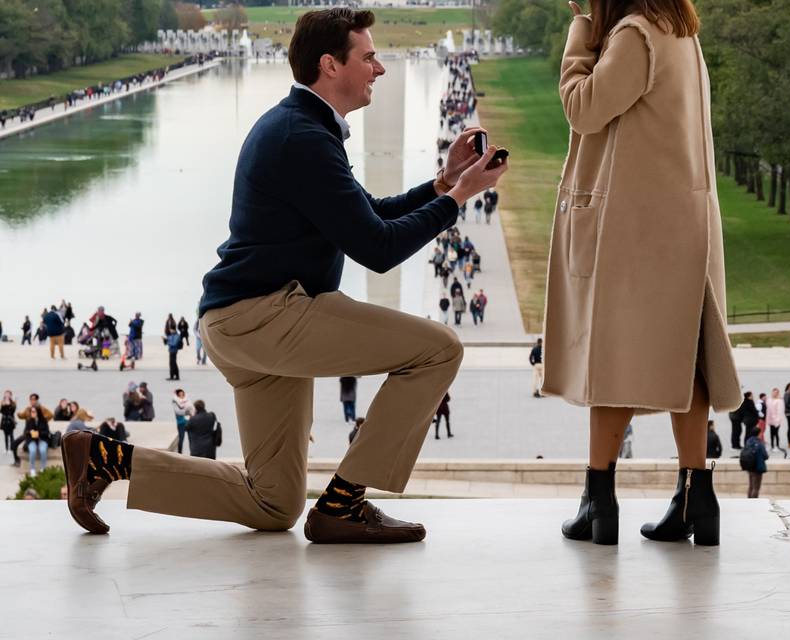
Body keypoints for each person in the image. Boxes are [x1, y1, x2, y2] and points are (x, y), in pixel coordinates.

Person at [62, 8, 506, 544]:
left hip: (242, 321)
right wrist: (459, 199)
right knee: (439, 349)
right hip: (266, 316)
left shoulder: (302, 127)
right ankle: (344, 503)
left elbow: (370, 213)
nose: (380, 69)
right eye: (369, 57)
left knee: (271, 502)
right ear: (330, 64)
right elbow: (378, 248)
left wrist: (443, 181)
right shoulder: (303, 137)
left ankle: (105, 458)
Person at [547, 0, 741, 547]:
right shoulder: (679, 29)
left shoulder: (634, 35)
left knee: (613, 353)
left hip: (638, 222)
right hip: (683, 216)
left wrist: (582, 30)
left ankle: (599, 497)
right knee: (689, 360)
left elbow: (583, 108)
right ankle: (695, 495)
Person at [742, 426, 768, 499]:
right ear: (759, 434)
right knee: (756, 487)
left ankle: (749, 500)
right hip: (758, 468)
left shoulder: (748, 441)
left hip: (749, 467)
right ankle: (754, 502)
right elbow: (765, 455)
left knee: (751, 486)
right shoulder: (759, 443)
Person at [24, 407, 51, 477]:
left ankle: (43, 468)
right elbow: (25, 432)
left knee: (42, 450)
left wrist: (39, 433)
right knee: (32, 450)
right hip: (31, 440)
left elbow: (47, 432)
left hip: (42, 439)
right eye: (31, 412)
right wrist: (30, 432)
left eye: (34, 411)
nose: (32, 413)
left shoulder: (44, 420)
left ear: (38, 412)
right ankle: (32, 469)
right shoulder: (29, 420)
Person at [171, 389, 194, 454]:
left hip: (189, 422)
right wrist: (186, 411)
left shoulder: (187, 400)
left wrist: (189, 412)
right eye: (180, 394)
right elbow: (178, 412)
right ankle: (180, 453)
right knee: (181, 439)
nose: (181, 396)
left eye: (182, 394)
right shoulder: (175, 402)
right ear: (177, 395)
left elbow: (192, 409)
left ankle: (192, 453)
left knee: (191, 439)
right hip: (181, 422)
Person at [766, 387, 785, 452]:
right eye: (774, 392)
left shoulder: (779, 401)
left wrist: (777, 420)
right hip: (771, 420)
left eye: (776, 392)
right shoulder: (769, 400)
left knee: (776, 433)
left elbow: (780, 411)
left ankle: (777, 445)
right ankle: (772, 446)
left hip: (777, 420)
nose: (774, 393)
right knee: (771, 433)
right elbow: (768, 410)